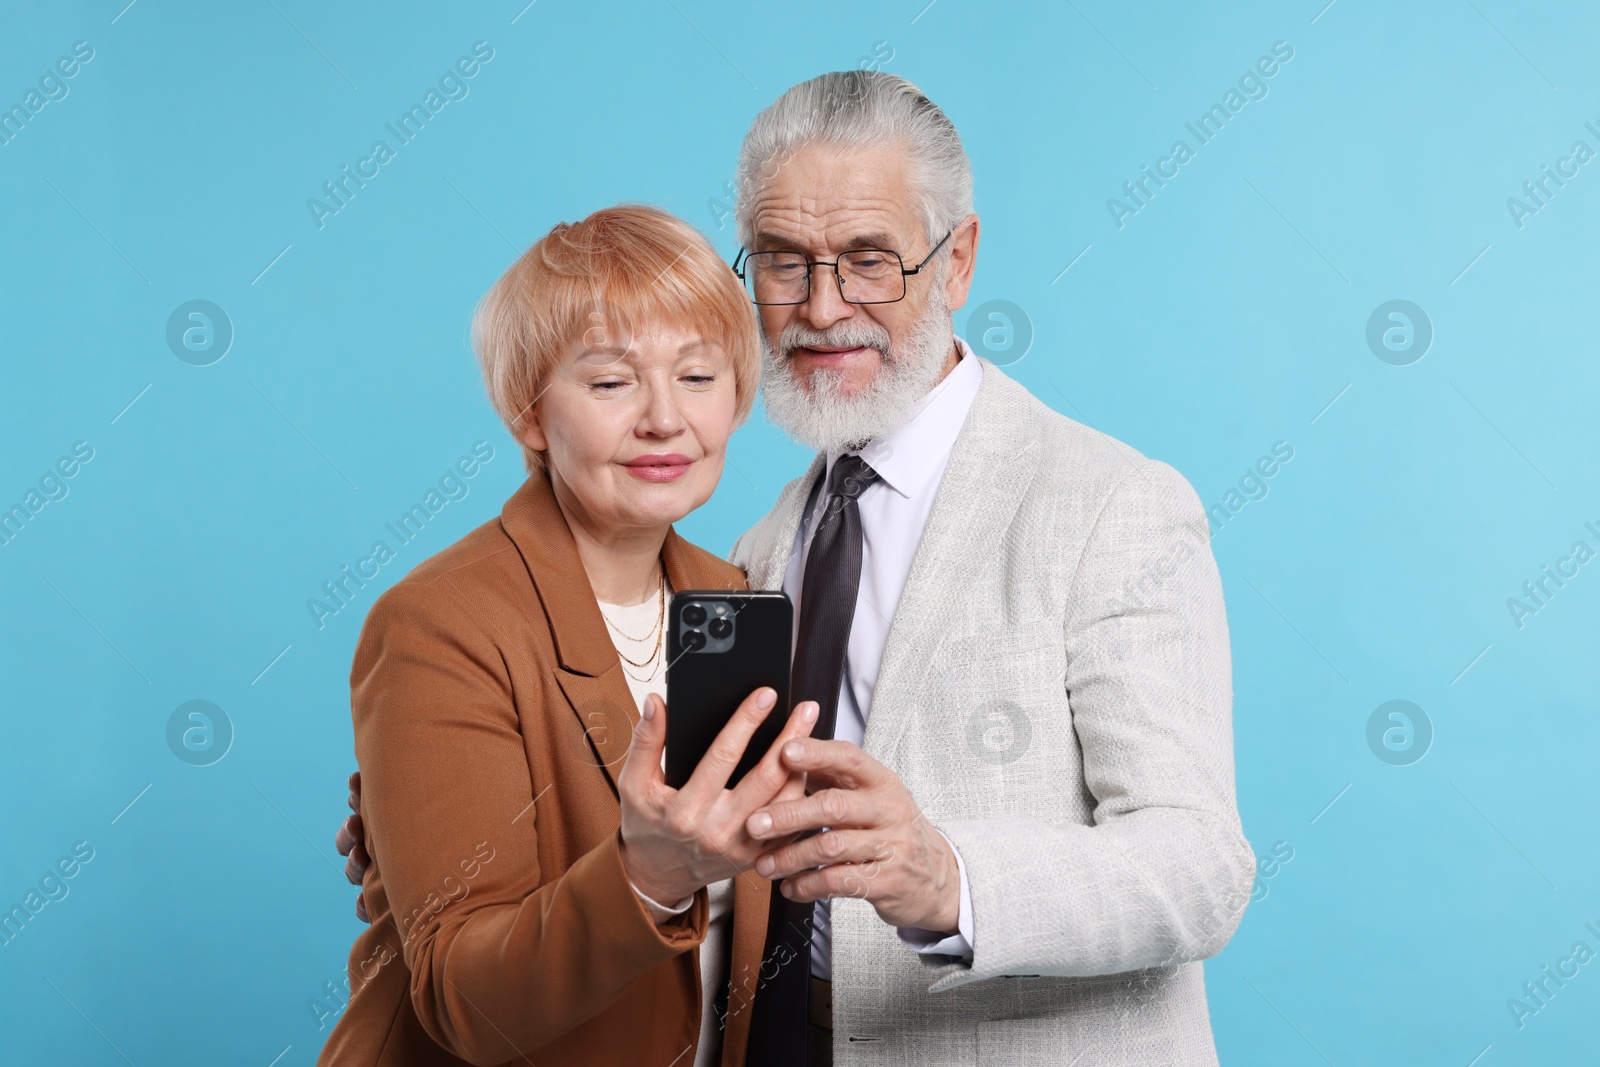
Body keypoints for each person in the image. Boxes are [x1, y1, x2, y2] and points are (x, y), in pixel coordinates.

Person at [344, 70, 1256, 1067]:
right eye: (784, 261)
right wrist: (425, 821)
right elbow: (684, 847)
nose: (824, 307)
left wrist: (949, 876)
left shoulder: (1109, 502)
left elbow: (1199, 865)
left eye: (868, 261)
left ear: (955, 263)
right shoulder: (758, 552)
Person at [316, 203, 822, 1067]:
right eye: (611, 381)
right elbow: (463, 1001)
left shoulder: (736, 598)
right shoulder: (442, 623)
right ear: (528, 413)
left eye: (698, 377)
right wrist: (647, 874)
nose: (666, 419)